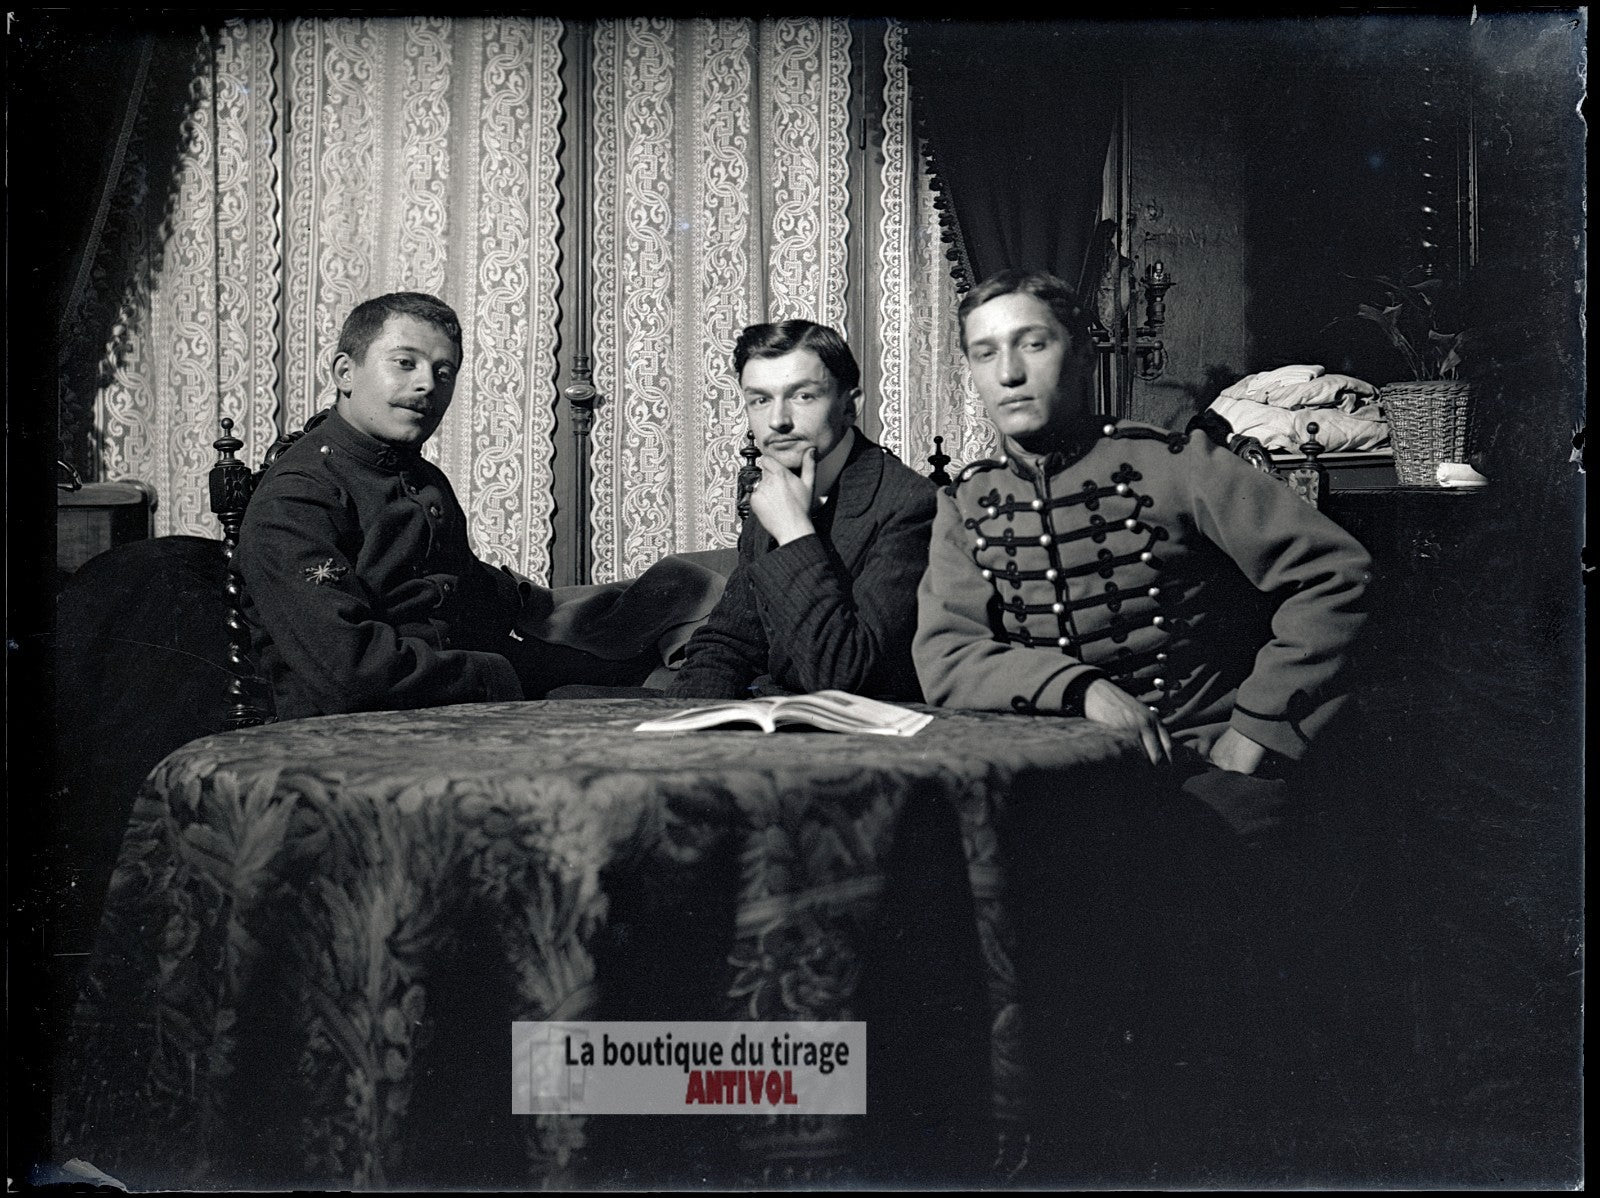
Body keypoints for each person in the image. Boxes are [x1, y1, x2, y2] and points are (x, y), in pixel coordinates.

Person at [912, 269, 1376, 1173]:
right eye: (984, 352)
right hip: (1063, 782)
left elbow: (1335, 577)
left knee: (1210, 1000)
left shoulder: (1172, 463)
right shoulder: (966, 505)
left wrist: (1258, 729)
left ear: (1082, 353)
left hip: (1208, 768)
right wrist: (1077, 686)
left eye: (1033, 343)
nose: (1009, 372)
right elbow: (949, 656)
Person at [238, 291, 539, 718]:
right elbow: (353, 673)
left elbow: (463, 594)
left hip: (445, 700)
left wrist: (551, 609)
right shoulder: (298, 496)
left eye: (444, 372)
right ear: (345, 373)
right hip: (353, 732)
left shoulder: (423, 478)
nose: (427, 384)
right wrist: (498, 676)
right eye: (405, 363)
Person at [667, 319, 937, 701]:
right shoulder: (777, 487)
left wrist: (794, 532)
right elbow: (729, 643)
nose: (778, 420)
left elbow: (845, 676)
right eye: (760, 400)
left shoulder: (910, 505)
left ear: (850, 406)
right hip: (772, 716)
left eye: (803, 396)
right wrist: (681, 722)